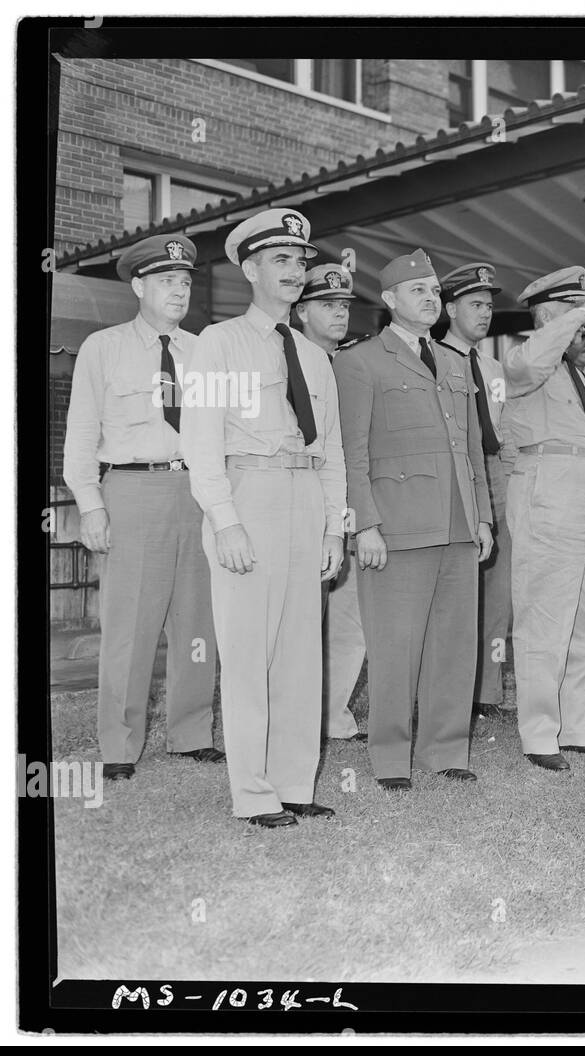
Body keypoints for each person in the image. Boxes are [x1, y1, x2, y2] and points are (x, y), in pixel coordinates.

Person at [181, 208, 345, 827]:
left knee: (302, 653)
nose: (295, 271)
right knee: (249, 653)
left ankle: (294, 783)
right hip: (249, 495)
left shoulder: (314, 356)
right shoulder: (219, 343)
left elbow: (332, 450)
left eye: (300, 261)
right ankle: (252, 793)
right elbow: (200, 444)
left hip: (306, 498)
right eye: (281, 260)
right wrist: (225, 521)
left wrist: (335, 527)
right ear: (249, 270)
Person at [62, 233, 223, 781]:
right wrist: (90, 505)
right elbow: (81, 435)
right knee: (129, 624)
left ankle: (191, 732)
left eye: (185, 282)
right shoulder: (103, 348)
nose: (179, 291)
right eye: (166, 281)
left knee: (198, 620)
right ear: (138, 286)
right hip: (132, 490)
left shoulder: (204, 352)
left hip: (197, 491)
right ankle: (119, 743)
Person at [333, 250, 492, 791]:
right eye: (418, 290)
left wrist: (483, 518)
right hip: (396, 528)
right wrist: (364, 524)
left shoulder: (454, 362)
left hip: (458, 523)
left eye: (434, 291)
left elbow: (472, 449)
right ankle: (390, 757)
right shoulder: (360, 362)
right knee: (395, 647)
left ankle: (444, 749)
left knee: (454, 644)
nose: (430, 299)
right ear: (390, 299)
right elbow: (352, 451)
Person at [504, 266, 585, 771]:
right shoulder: (523, 363)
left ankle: (580, 728)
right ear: (548, 317)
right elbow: (534, 360)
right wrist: (569, 318)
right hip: (549, 484)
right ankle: (539, 735)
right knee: (546, 617)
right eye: (576, 318)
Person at [295, 262, 368, 744]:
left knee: (349, 616)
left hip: (352, 502)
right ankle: (297, 716)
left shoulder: (356, 362)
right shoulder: (286, 358)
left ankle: (332, 714)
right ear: (302, 311)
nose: (340, 313)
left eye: (344, 305)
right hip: (302, 498)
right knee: (301, 617)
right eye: (327, 305)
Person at [437, 261, 512, 720]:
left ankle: (488, 690)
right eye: (474, 304)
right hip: (454, 474)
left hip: (494, 471)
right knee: (456, 591)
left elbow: (502, 428)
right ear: (450, 308)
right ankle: (452, 691)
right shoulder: (432, 358)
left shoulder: (493, 367)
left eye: (488, 305)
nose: (485, 313)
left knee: (498, 592)